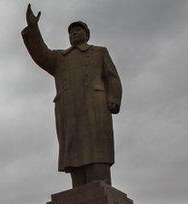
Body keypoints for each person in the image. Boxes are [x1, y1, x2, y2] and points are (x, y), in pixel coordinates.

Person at [22, 4, 122, 188]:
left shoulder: (99, 52)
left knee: (96, 149)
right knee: (74, 151)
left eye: (78, 30)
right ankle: (79, 189)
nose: (74, 33)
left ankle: (101, 186)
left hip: (94, 105)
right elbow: (40, 54)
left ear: (87, 34)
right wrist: (33, 28)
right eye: (71, 32)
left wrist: (113, 99)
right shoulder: (60, 58)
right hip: (69, 109)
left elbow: (112, 76)